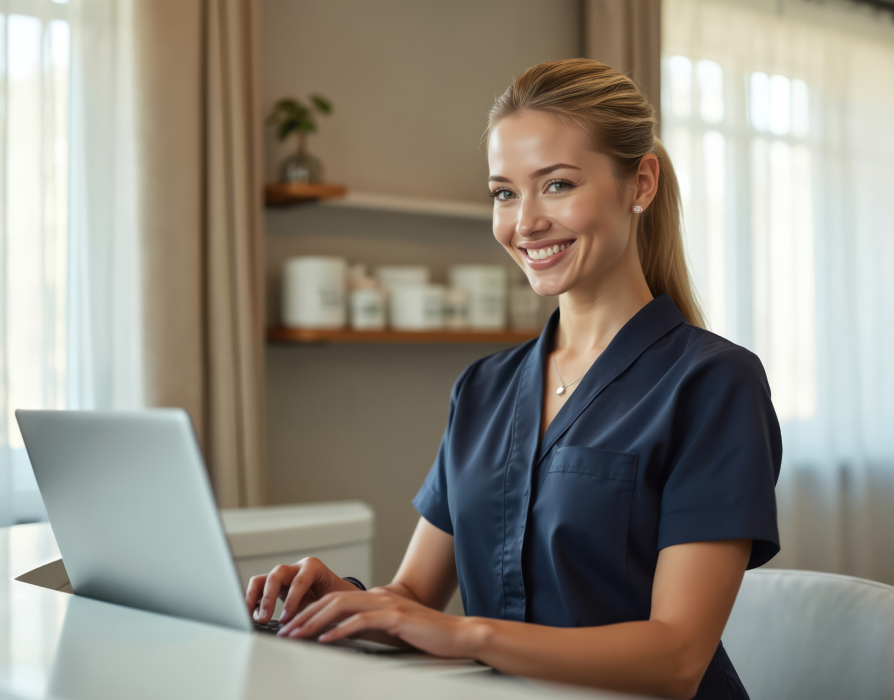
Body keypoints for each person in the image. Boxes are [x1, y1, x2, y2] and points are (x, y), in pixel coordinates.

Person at [246, 58, 781, 700]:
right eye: (504, 193)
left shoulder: (714, 383)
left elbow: (676, 657)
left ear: (640, 183)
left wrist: (470, 635)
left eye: (557, 185)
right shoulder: (483, 389)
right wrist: (349, 604)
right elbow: (415, 595)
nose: (525, 223)